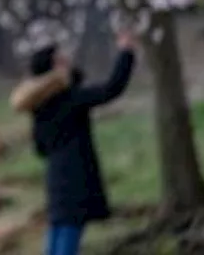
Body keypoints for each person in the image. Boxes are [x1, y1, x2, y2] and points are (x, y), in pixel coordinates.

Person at [10, 29, 136, 255]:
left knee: (58, 235)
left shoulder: (39, 107)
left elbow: (40, 148)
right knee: (68, 238)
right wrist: (126, 51)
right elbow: (111, 88)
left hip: (55, 180)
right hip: (76, 180)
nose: (67, 60)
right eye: (60, 59)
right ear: (52, 69)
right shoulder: (69, 99)